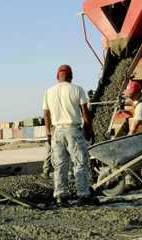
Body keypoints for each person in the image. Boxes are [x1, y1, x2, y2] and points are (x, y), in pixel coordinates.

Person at [43, 64, 96, 206]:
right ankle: (83, 195)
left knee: (60, 165)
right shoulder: (77, 89)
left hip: (57, 132)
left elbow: (46, 114)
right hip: (73, 130)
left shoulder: (49, 91)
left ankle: (61, 196)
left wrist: (48, 133)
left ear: (57, 77)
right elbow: (85, 112)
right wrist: (90, 130)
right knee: (79, 163)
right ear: (71, 77)